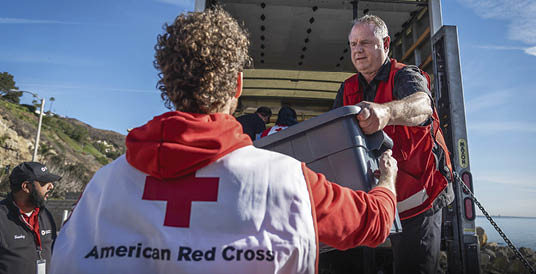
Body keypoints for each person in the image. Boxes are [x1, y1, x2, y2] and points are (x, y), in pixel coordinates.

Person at [50, 7, 398, 274]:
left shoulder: (102, 187)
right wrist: (386, 180)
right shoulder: (287, 180)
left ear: (168, 87)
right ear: (237, 85)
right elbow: (374, 222)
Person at [332, 14, 454, 274]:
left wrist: (386, 113)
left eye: (365, 42)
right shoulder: (347, 89)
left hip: (419, 198)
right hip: (372, 199)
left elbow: (422, 106)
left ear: (385, 44)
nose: (358, 50)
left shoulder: (405, 76)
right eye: (353, 44)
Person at [0, 162, 61, 274]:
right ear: (26, 187)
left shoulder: (45, 215)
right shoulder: (2, 218)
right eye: (44, 182)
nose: (51, 186)